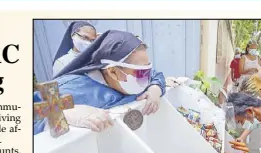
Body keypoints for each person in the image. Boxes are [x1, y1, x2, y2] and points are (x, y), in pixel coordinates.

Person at [33, 30, 166, 135]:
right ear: (112, 72)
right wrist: (64, 114)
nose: (146, 78)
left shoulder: (135, 77)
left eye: (147, 70)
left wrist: (155, 88)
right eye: (142, 73)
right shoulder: (65, 88)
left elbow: (155, 75)